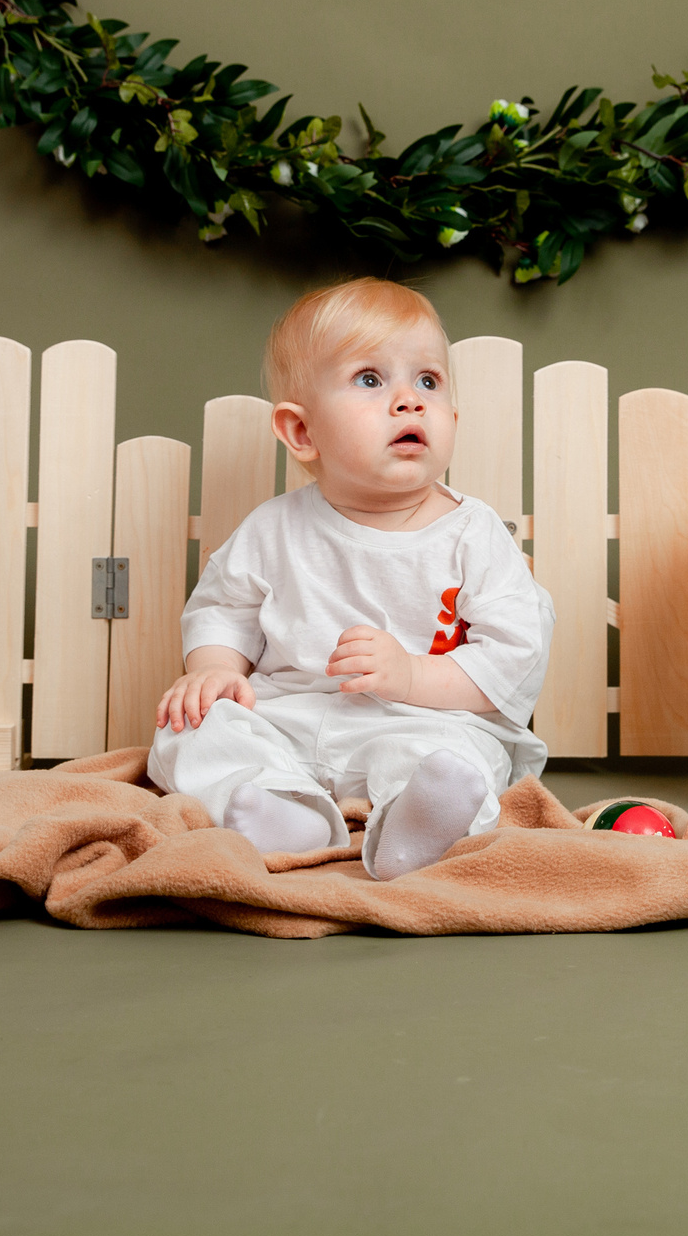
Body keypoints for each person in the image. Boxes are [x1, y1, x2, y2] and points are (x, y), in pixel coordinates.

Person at [150, 277, 554, 879]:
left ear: (451, 416)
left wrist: (412, 673)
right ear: (303, 432)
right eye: (371, 379)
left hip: (421, 719)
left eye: (428, 381)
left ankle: (419, 824)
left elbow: (514, 654)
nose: (409, 401)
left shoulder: (474, 534)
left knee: (459, 759)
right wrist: (214, 670)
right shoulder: (273, 528)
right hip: (287, 718)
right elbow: (223, 609)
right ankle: (283, 810)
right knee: (188, 733)